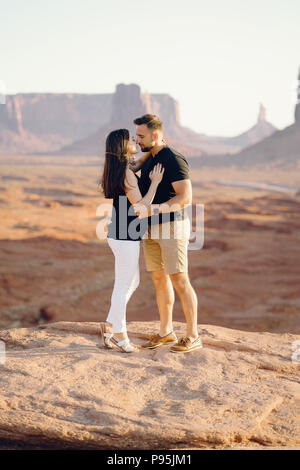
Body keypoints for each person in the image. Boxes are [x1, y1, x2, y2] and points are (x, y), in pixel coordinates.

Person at [129, 114, 202, 353]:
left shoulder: (173, 159)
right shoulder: (152, 155)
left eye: (141, 136)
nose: (137, 140)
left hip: (171, 226)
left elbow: (185, 197)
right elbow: (133, 163)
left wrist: (153, 209)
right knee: (159, 279)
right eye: (136, 135)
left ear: (156, 135)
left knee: (180, 279)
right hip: (151, 228)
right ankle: (166, 332)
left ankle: (193, 336)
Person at [99, 128, 164, 353]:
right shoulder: (126, 173)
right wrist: (155, 183)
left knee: (132, 283)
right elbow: (140, 209)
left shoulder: (120, 170)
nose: (135, 141)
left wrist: (152, 150)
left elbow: (136, 163)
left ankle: (109, 325)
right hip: (125, 237)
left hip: (121, 235)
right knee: (123, 285)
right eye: (130, 139)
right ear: (122, 146)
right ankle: (120, 335)